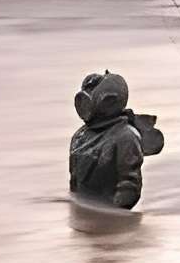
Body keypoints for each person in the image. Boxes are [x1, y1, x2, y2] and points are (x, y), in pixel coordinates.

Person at [69, 71, 165, 208]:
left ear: (109, 100)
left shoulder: (126, 137)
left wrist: (112, 216)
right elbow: (74, 181)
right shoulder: (80, 136)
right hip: (84, 217)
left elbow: (130, 186)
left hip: (109, 220)